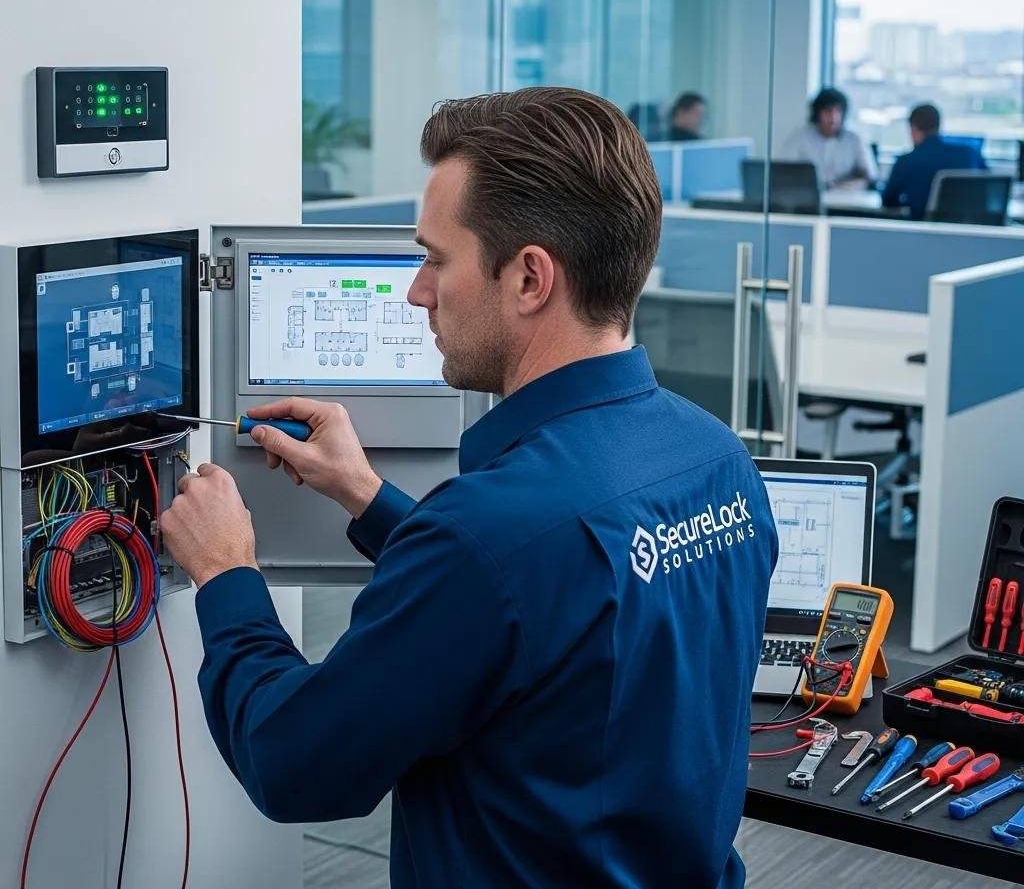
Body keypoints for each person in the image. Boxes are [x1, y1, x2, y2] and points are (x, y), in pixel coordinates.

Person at [161, 88, 778, 888]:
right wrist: (368, 497)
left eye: (436, 258)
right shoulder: (717, 459)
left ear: (529, 278)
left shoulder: (486, 539)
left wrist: (227, 575)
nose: (418, 291)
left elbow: (294, 763)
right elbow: (551, 610)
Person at [882, 102, 988, 220]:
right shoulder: (970, 153)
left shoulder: (907, 161)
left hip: (924, 232)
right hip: (970, 231)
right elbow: (990, 187)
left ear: (913, 128)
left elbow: (888, 201)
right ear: (938, 126)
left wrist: (912, 203)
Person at [781, 87, 878, 189]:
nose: (833, 117)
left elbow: (870, 176)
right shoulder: (800, 136)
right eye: (828, 111)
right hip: (807, 196)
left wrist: (846, 184)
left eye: (838, 111)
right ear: (817, 113)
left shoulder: (854, 139)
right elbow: (782, 171)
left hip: (847, 197)